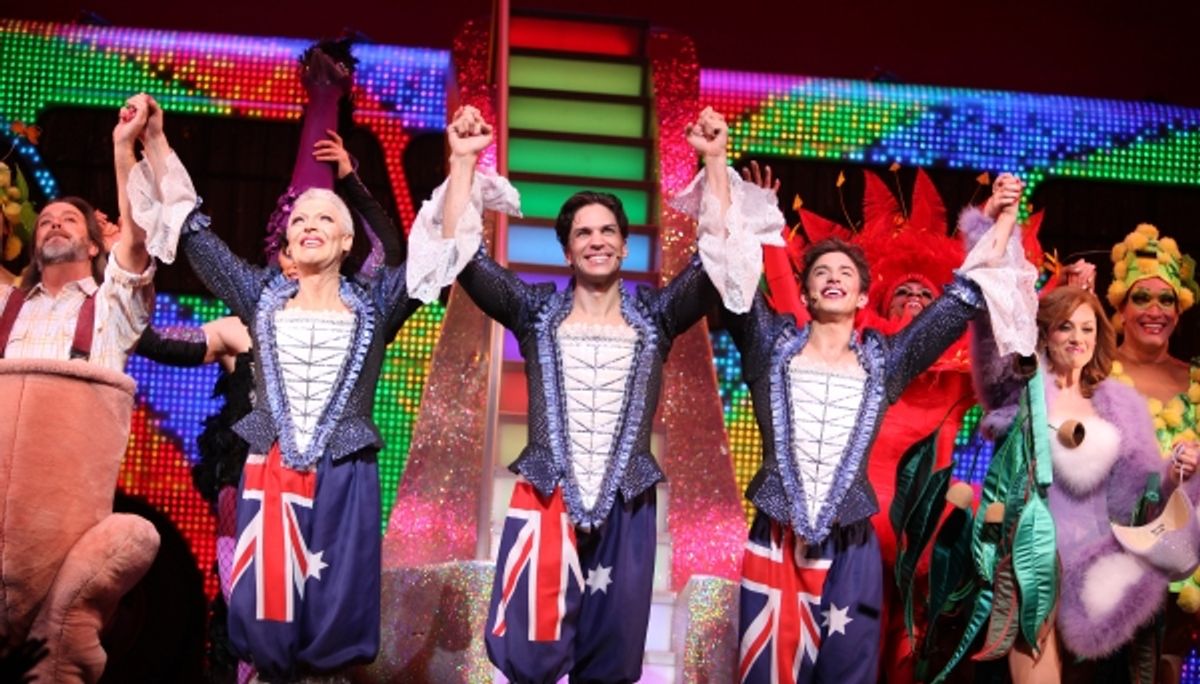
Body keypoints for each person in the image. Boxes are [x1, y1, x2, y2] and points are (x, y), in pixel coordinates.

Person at [407, 105, 780, 683]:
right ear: (567, 250)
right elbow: (465, 258)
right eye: (583, 232)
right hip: (547, 499)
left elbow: (721, 262)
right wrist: (462, 161)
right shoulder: (534, 312)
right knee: (528, 656)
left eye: (608, 231)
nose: (597, 240)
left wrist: (714, 159)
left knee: (610, 664)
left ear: (625, 247)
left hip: (628, 504)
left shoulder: (656, 317)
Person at [133, 91, 420, 679]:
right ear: (286, 246)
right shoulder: (259, 305)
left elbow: (401, 252)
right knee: (265, 623)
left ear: (346, 242)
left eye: (325, 219)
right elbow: (195, 237)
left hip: (344, 474)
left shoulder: (372, 306)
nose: (311, 225)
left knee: (332, 617)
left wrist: (366, 185)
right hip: (269, 471)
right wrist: (157, 142)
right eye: (299, 221)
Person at [717, 168, 1036, 683]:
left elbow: (965, 296)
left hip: (864, 542)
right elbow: (733, 287)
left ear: (863, 296)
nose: (834, 278)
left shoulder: (884, 362)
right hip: (778, 536)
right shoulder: (775, 353)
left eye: (846, 272)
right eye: (821, 272)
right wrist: (718, 172)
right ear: (806, 291)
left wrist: (1000, 218)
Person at [971, 285, 1200, 681]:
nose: (1078, 338)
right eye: (1065, 327)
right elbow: (991, 340)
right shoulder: (1024, 393)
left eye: (1088, 329)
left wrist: (1175, 469)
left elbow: (1142, 494)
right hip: (1032, 568)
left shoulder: (1121, 405)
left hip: (1100, 575)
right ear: (1045, 334)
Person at [1104, 223, 1200, 681]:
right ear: (1121, 306)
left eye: (1166, 299)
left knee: (1166, 668)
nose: (1155, 310)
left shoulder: (1197, 378)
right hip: (1112, 549)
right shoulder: (1096, 372)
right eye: (1142, 298)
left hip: (1186, 558)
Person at [0, 94, 157, 370]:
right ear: (35, 248)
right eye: (46, 222)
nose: (56, 224)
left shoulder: (111, 309)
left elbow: (136, 243)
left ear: (93, 246)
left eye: (70, 219)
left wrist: (123, 145)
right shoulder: (6, 304)